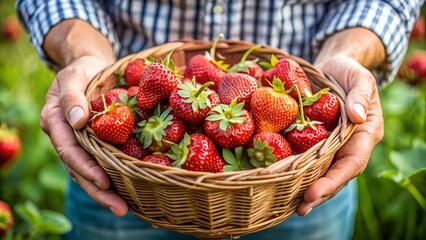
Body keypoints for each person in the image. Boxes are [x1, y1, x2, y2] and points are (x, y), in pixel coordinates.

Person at [16, 1, 424, 239]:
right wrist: (84, 52)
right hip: (123, 184)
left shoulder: (267, 111)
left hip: (301, 185)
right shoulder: (163, 104)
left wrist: (349, 53)